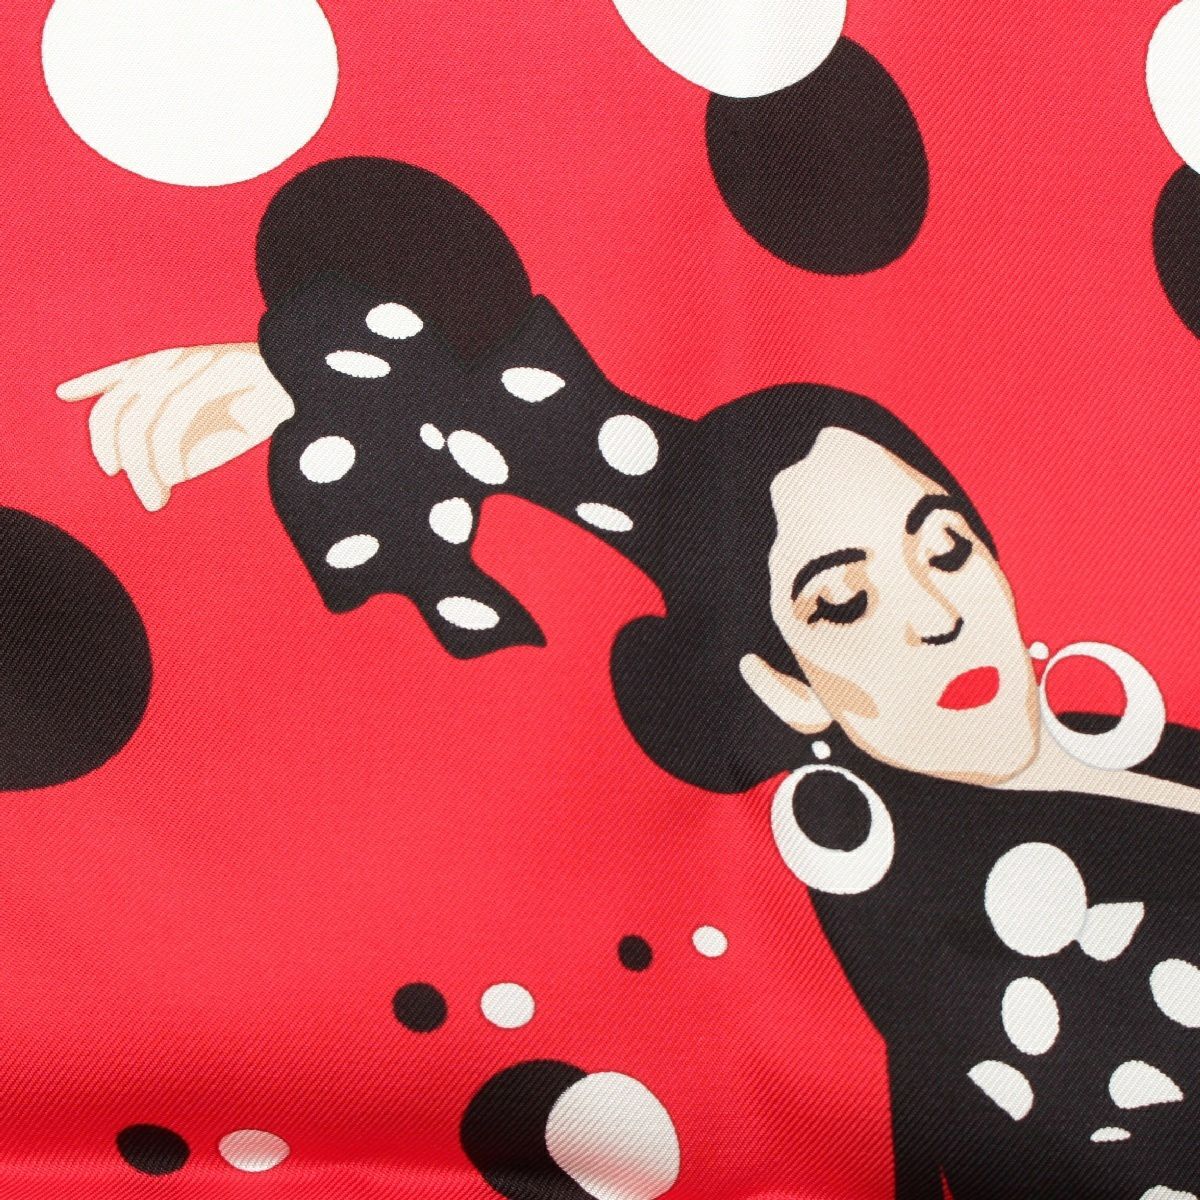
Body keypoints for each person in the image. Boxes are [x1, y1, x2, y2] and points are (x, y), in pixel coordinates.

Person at [59, 156, 1200, 1199]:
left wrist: (339, 382)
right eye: (843, 604)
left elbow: (629, 461)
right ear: (785, 688)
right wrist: (330, 383)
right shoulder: (982, 943)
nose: (941, 618)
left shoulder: (1125, 747)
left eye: (945, 547)